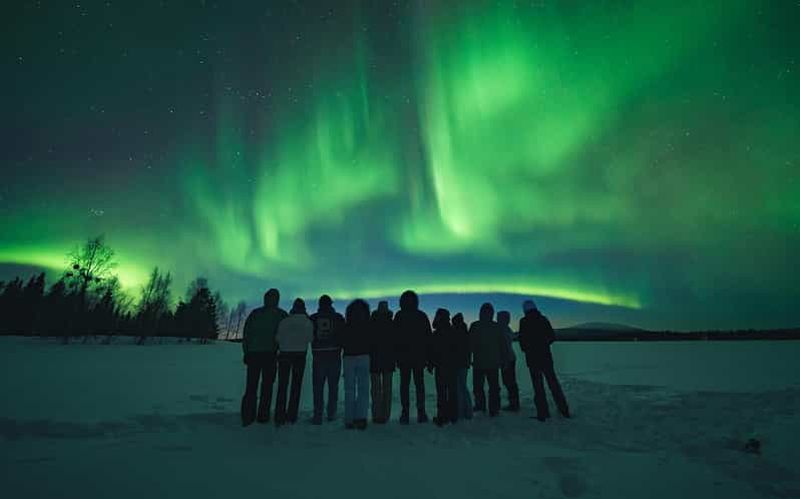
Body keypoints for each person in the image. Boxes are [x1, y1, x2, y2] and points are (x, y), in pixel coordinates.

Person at [240, 288, 287, 426]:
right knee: (267, 386)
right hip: (270, 355)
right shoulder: (281, 315)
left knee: (251, 386)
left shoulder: (255, 313)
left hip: (254, 354)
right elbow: (286, 333)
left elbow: (247, 334)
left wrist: (246, 352)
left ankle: (248, 416)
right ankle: (263, 416)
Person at [518, 299, 570, 421]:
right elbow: (552, 337)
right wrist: (543, 344)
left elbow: (522, 341)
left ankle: (543, 413)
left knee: (538, 387)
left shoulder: (524, 322)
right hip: (546, 357)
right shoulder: (543, 319)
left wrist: (529, 348)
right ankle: (564, 410)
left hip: (533, 359)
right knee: (553, 384)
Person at [393, 290, 432, 424]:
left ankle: (406, 413)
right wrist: (428, 358)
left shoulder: (399, 316)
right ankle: (421, 412)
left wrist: (396, 356)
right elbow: (428, 338)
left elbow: (394, 338)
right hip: (418, 357)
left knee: (405, 385)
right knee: (419, 385)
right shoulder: (421, 316)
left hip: (404, 357)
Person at [274, 298, 313, 426]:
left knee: (282, 385)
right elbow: (310, 338)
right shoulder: (307, 322)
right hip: (300, 355)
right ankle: (292, 415)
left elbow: (278, 338)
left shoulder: (284, 321)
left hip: (284, 354)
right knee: (296, 386)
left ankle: (279, 415)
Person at [309, 295, 345, 425]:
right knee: (333, 387)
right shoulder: (338, 318)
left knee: (318, 388)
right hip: (334, 356)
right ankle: (331, 413)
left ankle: (318, 415)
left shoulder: (313, 318)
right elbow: (343, 335)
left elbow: (309, 336)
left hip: (318, 356)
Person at [469, 303, 505, 416]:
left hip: (479, 362)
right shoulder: (496, 327)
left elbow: (470, 344)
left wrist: (468, 358)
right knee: (493, 387)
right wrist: (503, 359)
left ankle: (481, 405)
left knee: (479, 387)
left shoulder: (475, 325)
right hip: (492, 363)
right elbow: (502, 345)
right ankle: (494, 408)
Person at [341, 299, 372, 430]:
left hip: (349, 357)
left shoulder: (346, 325)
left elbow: (342, 340)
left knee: (349, 389)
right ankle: (361, 418)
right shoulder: (368, 325)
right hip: (364, 356)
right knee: (363, 389)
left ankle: (349, 418)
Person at [369, 301, 396, 424]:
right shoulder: (392, 323)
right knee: (387, 389)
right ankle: (385, 415)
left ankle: (376, 414)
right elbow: (396, 342)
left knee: (376, 389)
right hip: (388, 360)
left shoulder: (372, 323)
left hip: (374, 360)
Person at [431, 308, 459, 426]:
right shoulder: (453, 331)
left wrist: (431, 364)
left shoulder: (437, 333)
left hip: (441, 366)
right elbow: (457, 350)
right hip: (451, 366)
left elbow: (432, 350)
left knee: (442, 392)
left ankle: (442, 416)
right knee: (451, 392)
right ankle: (453, 416)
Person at [497, 310, 520, 412]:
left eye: (499, 318)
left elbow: (505, 347)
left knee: (509, 382)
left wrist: (505, 362)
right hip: (509, 359)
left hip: (507, 360)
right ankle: (514, 403)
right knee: (510, 382)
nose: (497, 319)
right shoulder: (507, 329)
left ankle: (514, 404)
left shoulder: (502, 330)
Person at [452, 313, 473, 420]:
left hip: (457, 363)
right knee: (463, 387)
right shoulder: (465, 333)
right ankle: (468, 411)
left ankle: (461, 412)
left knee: (459, 388)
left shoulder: (455, 333)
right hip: (464, 363)